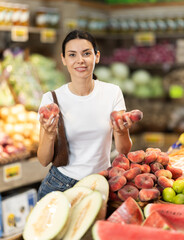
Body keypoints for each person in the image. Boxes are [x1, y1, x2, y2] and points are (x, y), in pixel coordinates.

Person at [37, 29, 133, 200]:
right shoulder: (51, 99)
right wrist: (50, 133)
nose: (80, 60)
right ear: (63, 59)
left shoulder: (112, 93)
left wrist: (121, 131)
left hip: (101, 183)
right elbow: (43, 161)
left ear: (97, 56)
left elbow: (123, 150)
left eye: (86, 53)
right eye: (72, 55)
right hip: (60, 185)